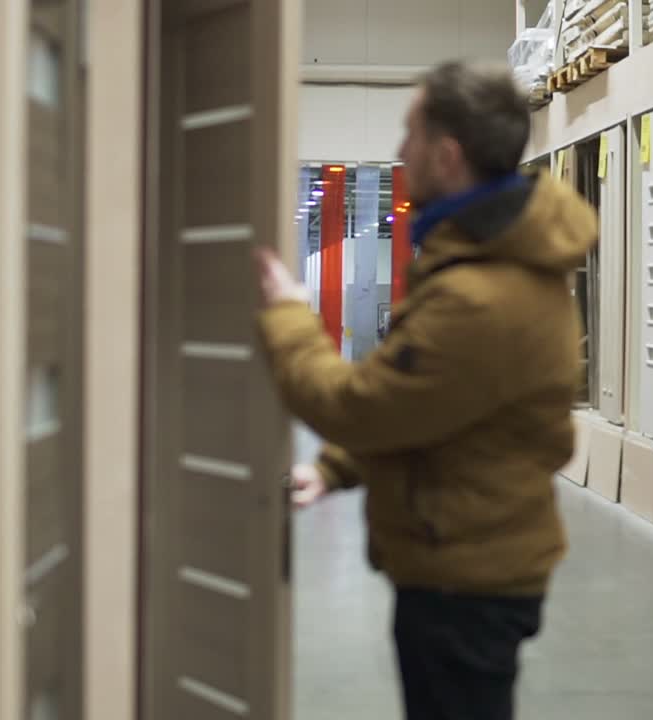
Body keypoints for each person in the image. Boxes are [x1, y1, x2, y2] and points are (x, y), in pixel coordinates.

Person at [253, 61, 596, 720]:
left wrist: (288, 314)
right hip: (470, 557)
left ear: (446, 154)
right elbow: (435, 410)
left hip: (465, 579)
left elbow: (356, 407)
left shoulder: (480, 296)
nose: (397, 151)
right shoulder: (476, 259)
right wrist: (334, 469)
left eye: (408, 134)